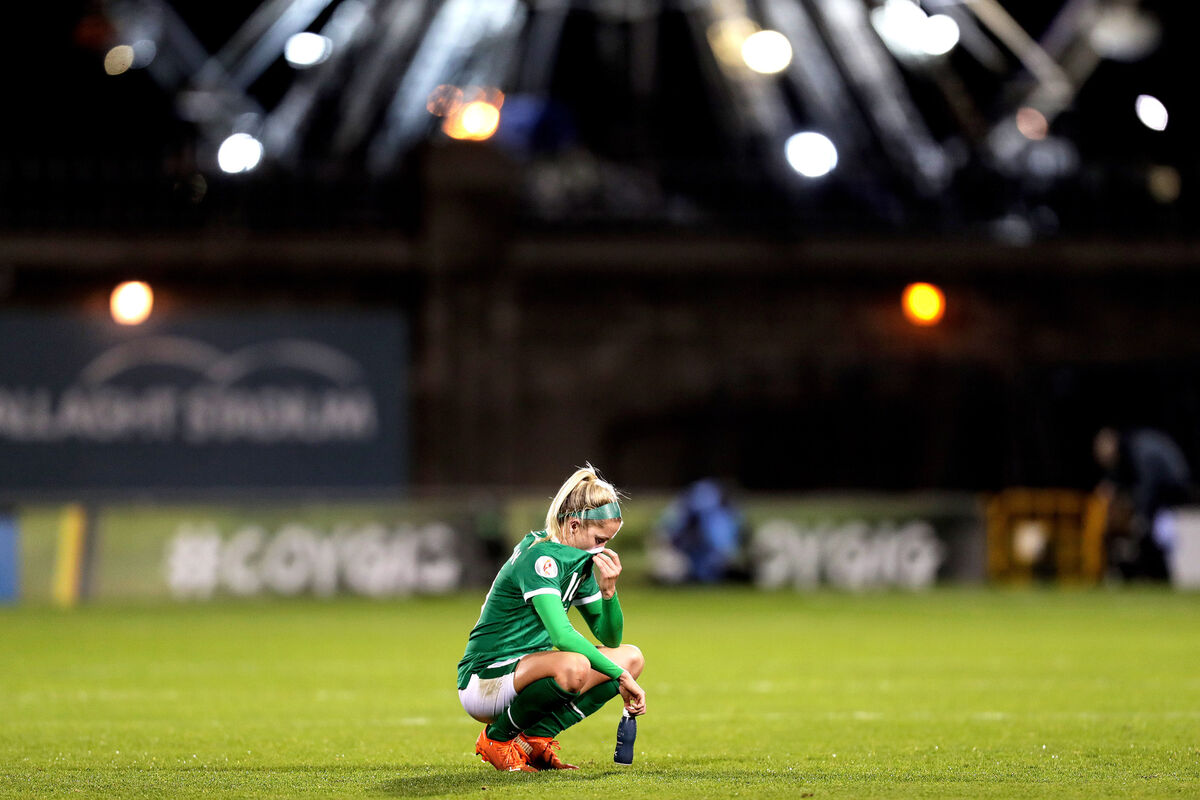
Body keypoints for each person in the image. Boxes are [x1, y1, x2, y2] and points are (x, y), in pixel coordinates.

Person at [457, 466, 647, 772]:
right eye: (599, 538)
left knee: (631, 658)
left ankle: (535, 737)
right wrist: (620, 678)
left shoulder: (578, 562)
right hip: (485, 678)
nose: (603, 548)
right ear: (573, 526)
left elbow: (610, 637)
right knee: (576, 665)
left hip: (527, 669)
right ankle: (496, 739)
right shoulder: (540, 558)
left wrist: (609, 593)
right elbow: (562, 636)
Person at [1094, 427, 1194, 580]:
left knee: (1150, 532)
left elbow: (1148, 485)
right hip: (1166, 490)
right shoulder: (1133, 447)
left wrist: (1141, 516)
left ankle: (1157, 575)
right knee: (1148, 531)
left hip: (1171, 489)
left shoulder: (1140, 450)